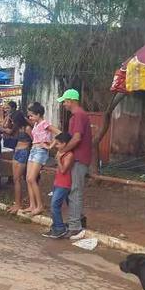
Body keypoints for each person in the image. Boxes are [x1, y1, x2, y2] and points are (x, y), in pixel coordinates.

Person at [58, 89, 93, 240]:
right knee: (72, 191)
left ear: (71, 101)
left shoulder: (78, 115)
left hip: (79, 158)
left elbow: (77, 138)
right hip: (77, 158)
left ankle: (75, 227)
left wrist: (63, 150)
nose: (64, 104)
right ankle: (75, 220)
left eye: (65, 101)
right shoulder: (78, 115)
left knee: (75, 191)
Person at [23, 102, 60, 216]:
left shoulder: (45, 123)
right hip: (34, 150)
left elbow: (59, 133)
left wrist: (50, 146)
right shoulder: (36, 124)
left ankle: (39, 206)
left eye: (32, 115)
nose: (30, 118)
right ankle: (32, 205)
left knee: (32, 178)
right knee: (28, 178)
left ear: (38, 114)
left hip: (40, 151)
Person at [0, 102, 32, 214]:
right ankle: (18, 202)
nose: (12, 122)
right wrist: (8, 117)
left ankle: (18, 204)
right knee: (15, 179)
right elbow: (5, 127)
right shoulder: (19, 128)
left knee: (18, 179)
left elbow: (34, 139)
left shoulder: (27, 128)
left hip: (23, 151)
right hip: (18, 151)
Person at [42, 133, 75, 239]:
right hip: (58, 182)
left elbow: (63, 170)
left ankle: (60, 228)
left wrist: (58, 160)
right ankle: (55, 228)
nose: (56, 146)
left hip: (64, 184)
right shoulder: (61, 153)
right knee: (55, 206)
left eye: (58, 144)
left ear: (64, 144)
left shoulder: (68, 155)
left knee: (54, 206)